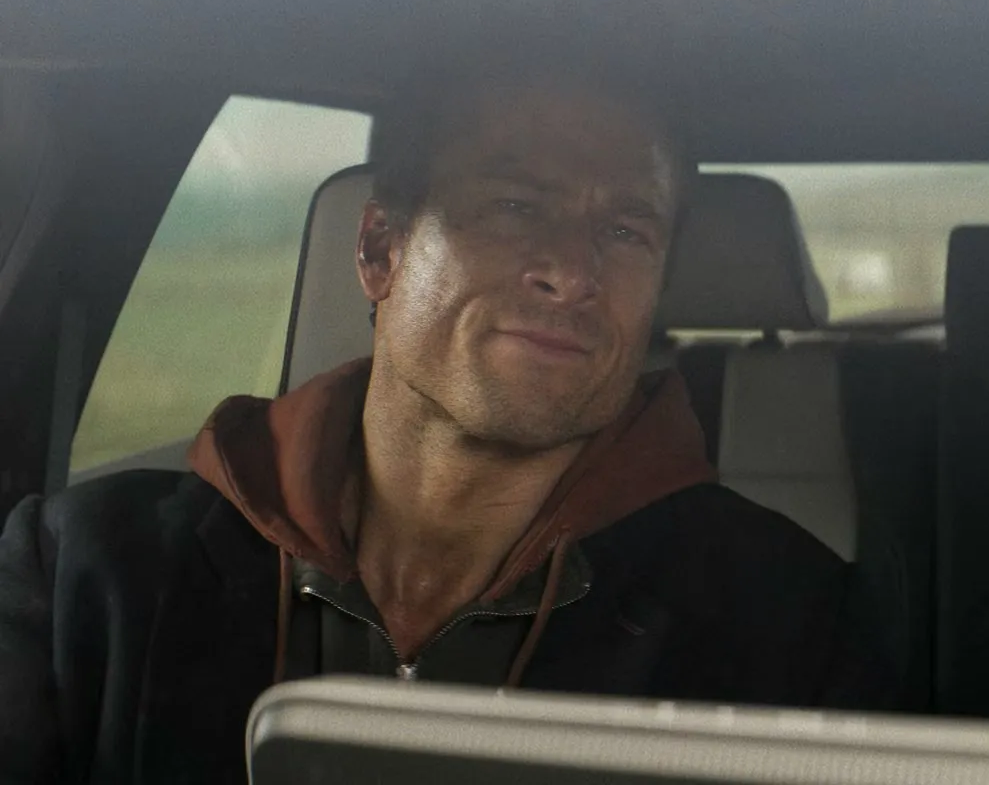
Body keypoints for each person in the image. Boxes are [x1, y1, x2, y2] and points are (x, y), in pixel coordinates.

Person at [0, 53, 881, 783]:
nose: (573, 273)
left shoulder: (791, 624)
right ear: (379, 250)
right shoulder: (88, 573)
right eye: (515, 206)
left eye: (626, 232)